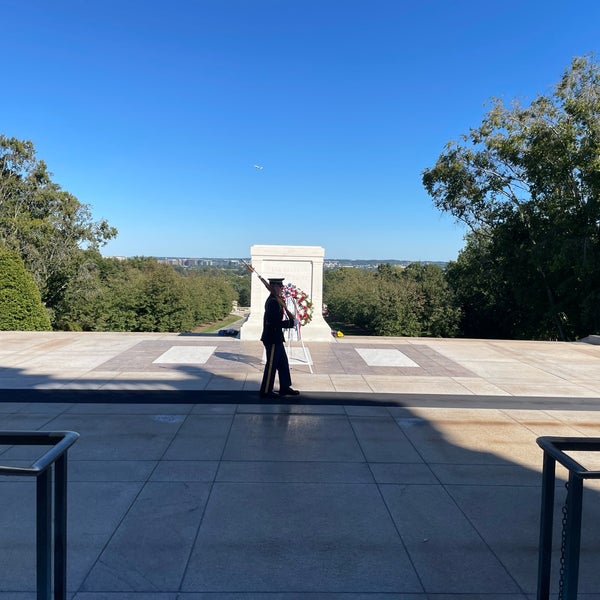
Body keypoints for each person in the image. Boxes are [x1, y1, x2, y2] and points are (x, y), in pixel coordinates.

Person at [259, 277, 300, 399]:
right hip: (272, 338)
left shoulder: (276, 300)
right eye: (280, 286)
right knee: (271, 365)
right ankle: (266, 390)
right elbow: (273, 322)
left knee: (283, 364)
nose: (282, 288)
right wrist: (290, 323)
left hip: (277, 337)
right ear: (273, 287)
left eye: (282, 286)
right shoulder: (272, 302)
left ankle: (284, 387)